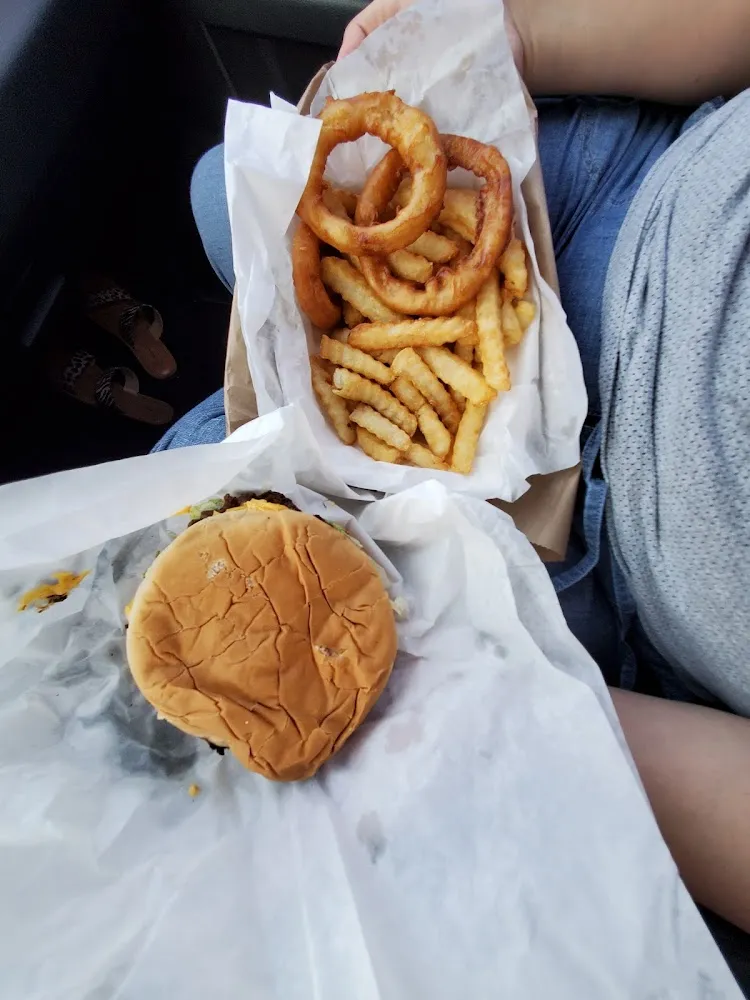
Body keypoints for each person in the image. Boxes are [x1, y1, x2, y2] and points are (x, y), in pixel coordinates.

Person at [158, 0, 750, 962]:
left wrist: (529, 700)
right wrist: (517, 37)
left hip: (598, 565)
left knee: (179, 563)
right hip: (609, 196)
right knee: (219, 192)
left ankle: (137, 384)